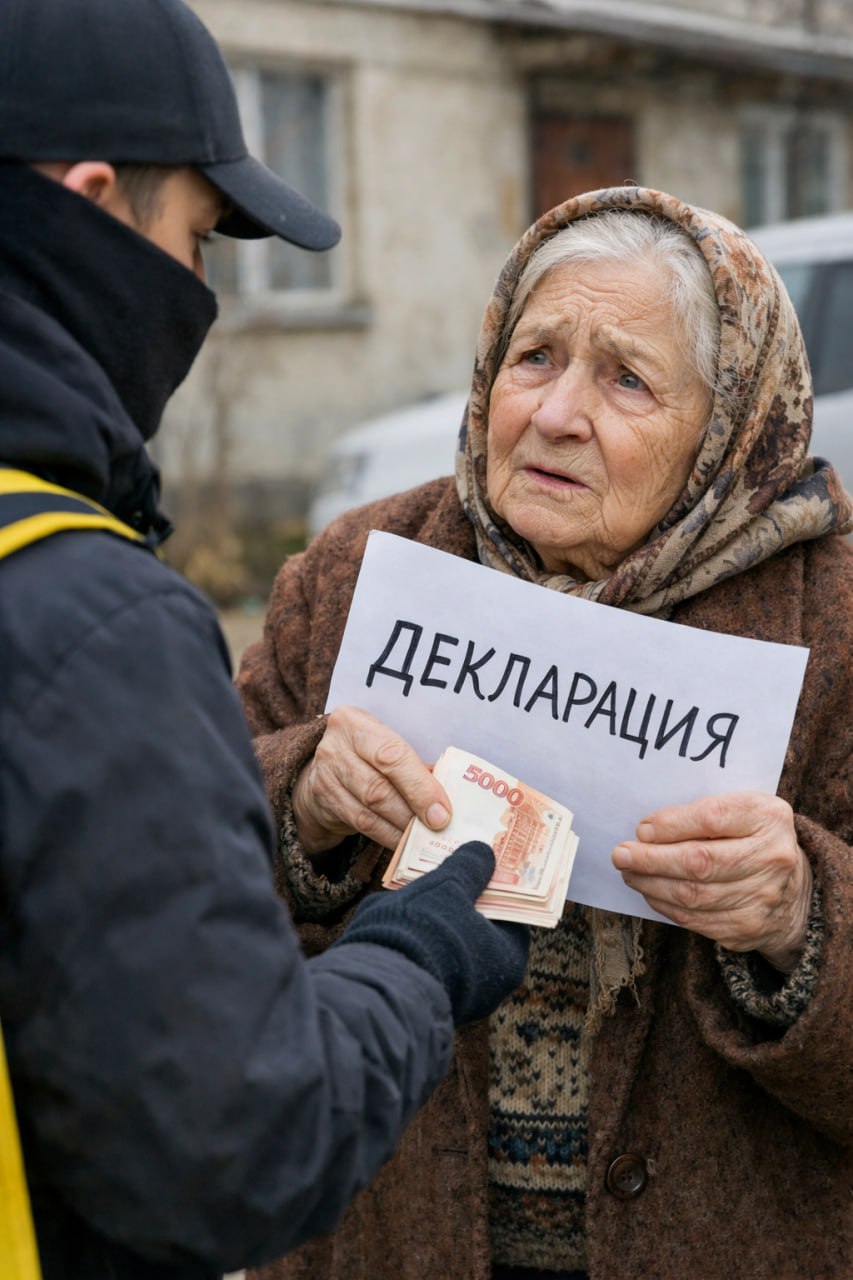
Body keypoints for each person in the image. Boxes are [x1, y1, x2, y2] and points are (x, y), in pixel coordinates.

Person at [0, 2, 532, 1277]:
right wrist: (416, 950)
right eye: (195, 238)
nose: (199, 294)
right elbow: (234, 1146)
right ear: (90, 199)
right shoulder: (86, 612)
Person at [236, 186, 853, 1280]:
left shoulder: (836, 625)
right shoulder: (356, 573)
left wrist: (799, 914)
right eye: (534, 358)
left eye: (624, 377)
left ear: (727, 422)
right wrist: (300, 800)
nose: (557, 412)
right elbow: (176, 882)